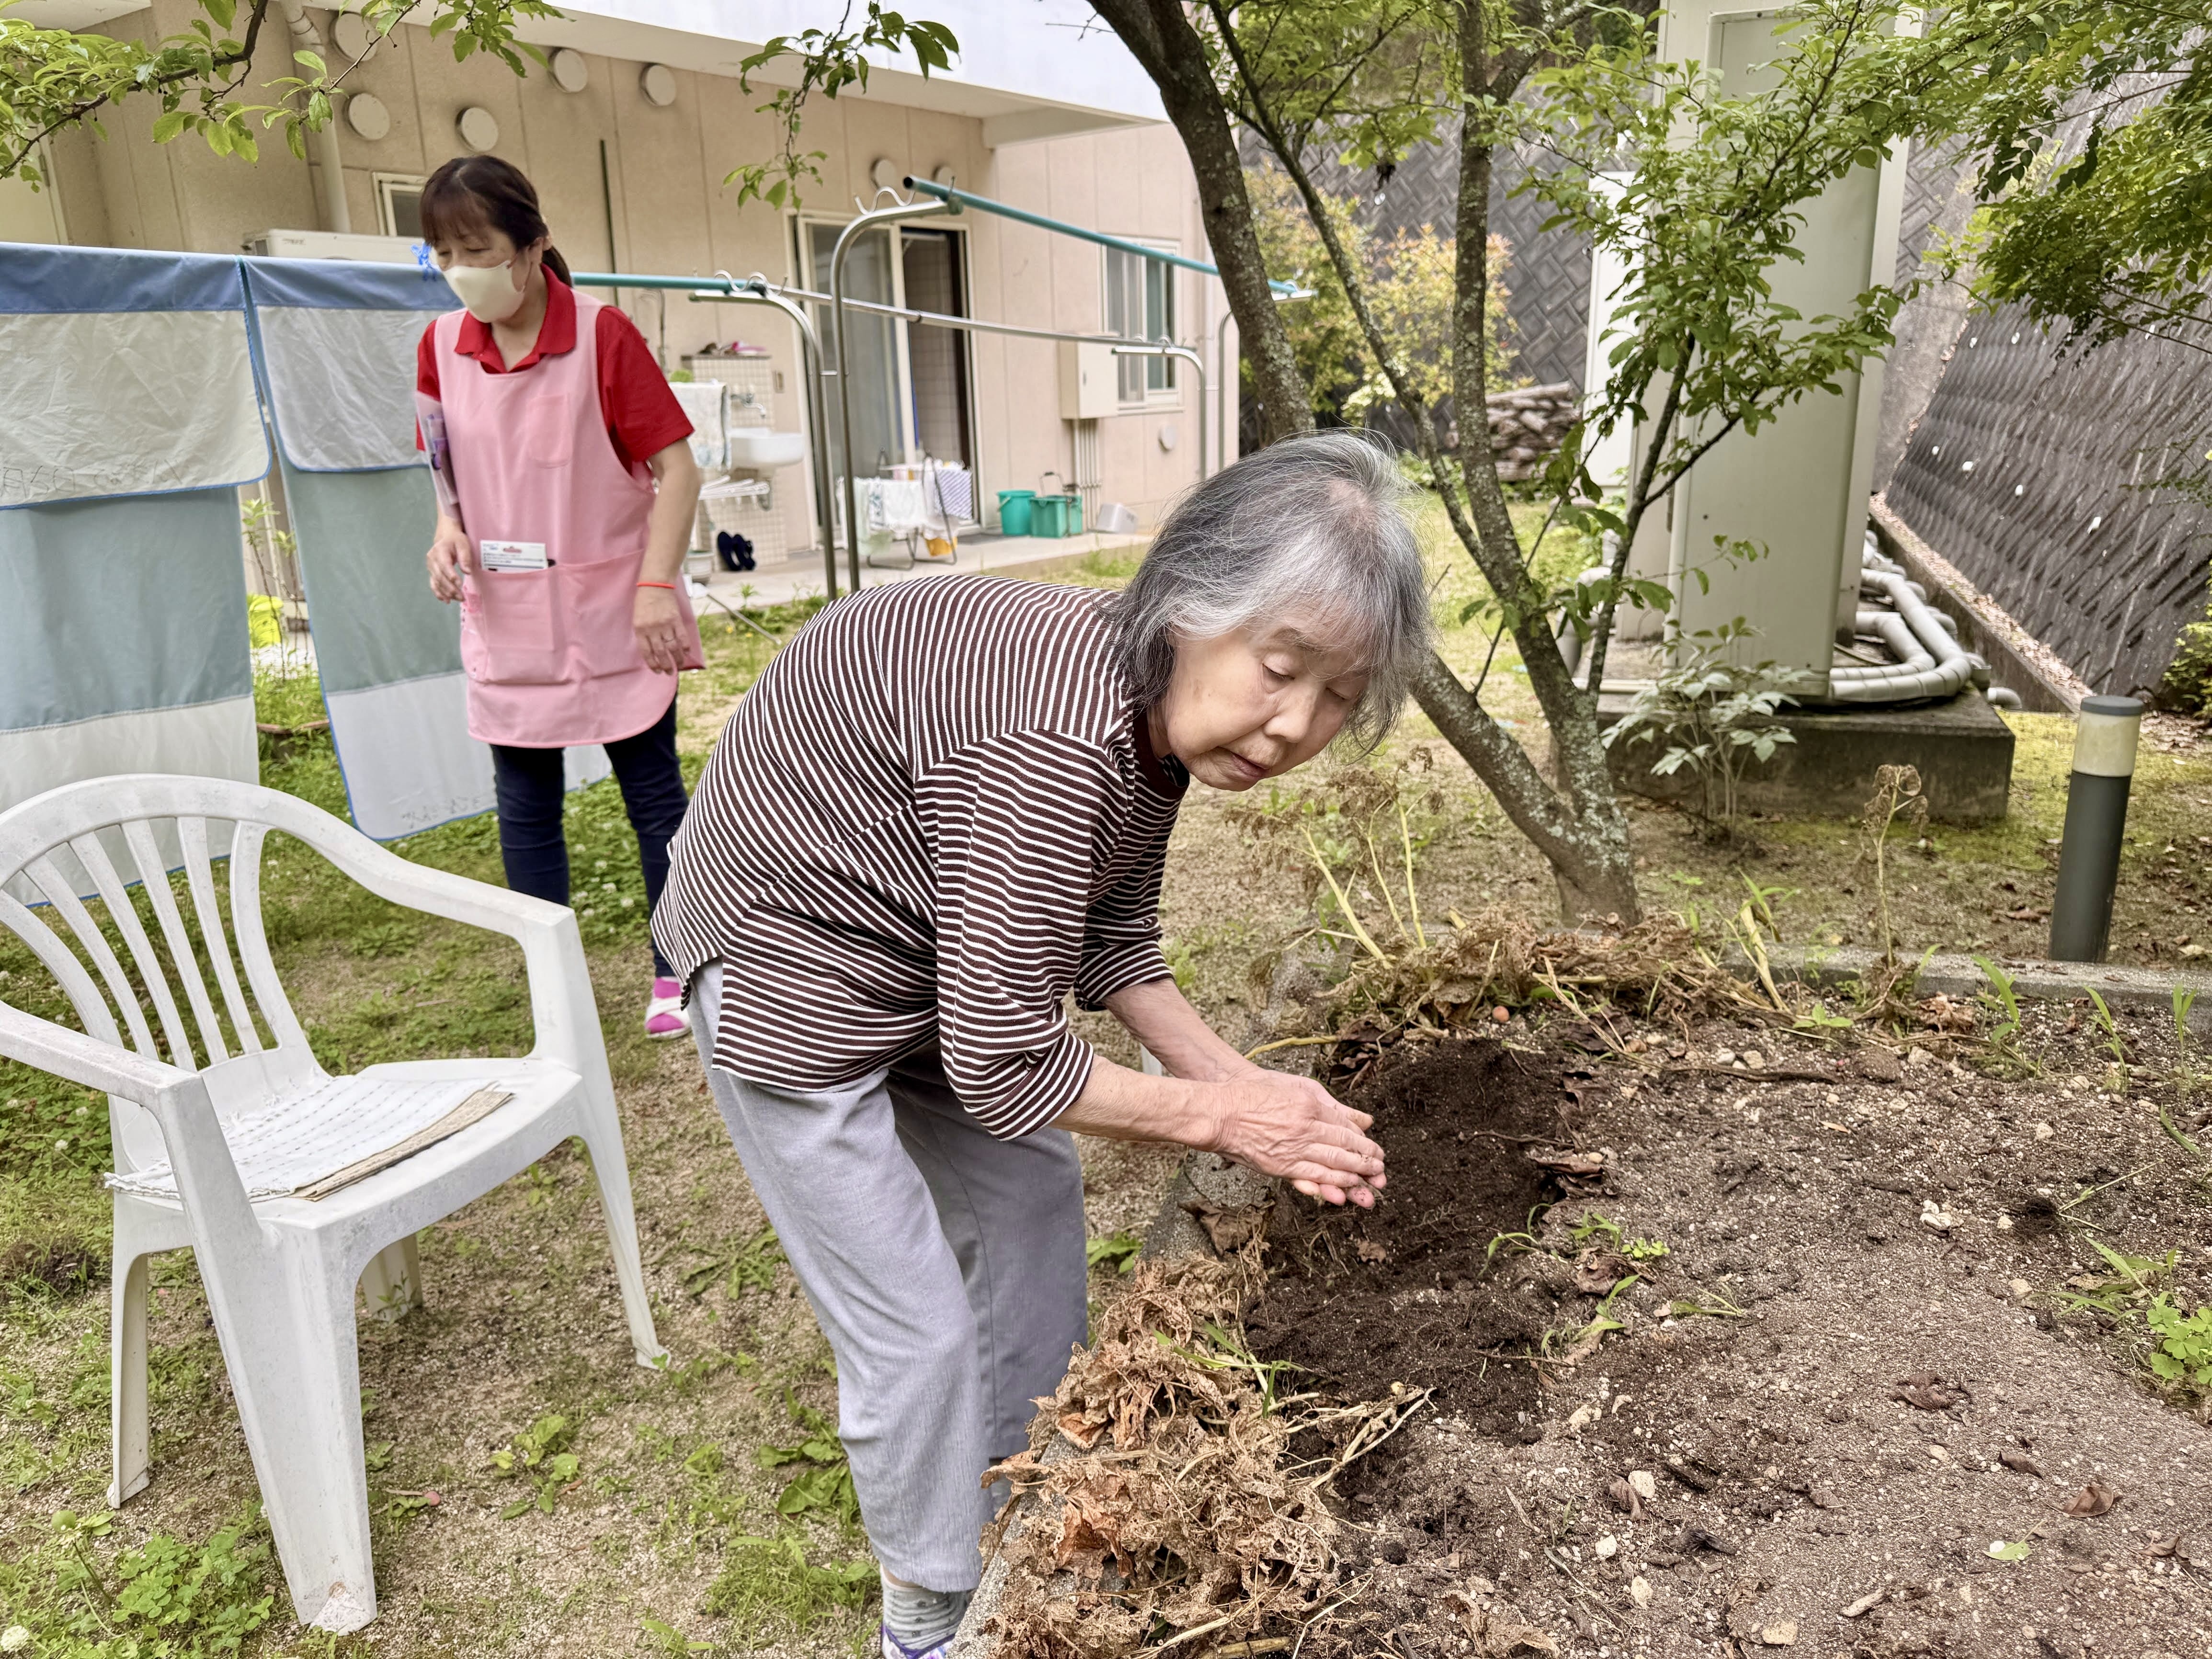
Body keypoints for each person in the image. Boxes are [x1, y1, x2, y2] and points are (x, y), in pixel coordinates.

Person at [652, 431, 1431, 1659]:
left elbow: (1107, 927)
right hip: (786, 964)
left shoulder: (1148, 711)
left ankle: (1023, 1490)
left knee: (1030, 1197)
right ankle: (926, 1610)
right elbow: (1005, 1061)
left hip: (925, 945)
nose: (1294, 726)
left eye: (1338, 698)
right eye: (1281, 669)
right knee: (911, 1327)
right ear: (1187, 608)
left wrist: (1235, 1076)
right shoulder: (1053, 733)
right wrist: (1228, 1121)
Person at [416, 154, 704, 1038]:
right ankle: (555, 985)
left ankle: (679, 970)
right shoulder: (437, 347)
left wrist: (657, 586)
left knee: (653, 796)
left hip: (616, 607)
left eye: (476, 247)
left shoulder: (603, 334)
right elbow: (444, 466)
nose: (460, 266)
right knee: (525, 803)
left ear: (533, 246)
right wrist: (446, 528)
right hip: (509, 612)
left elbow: (678, 469)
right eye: (442, 250)